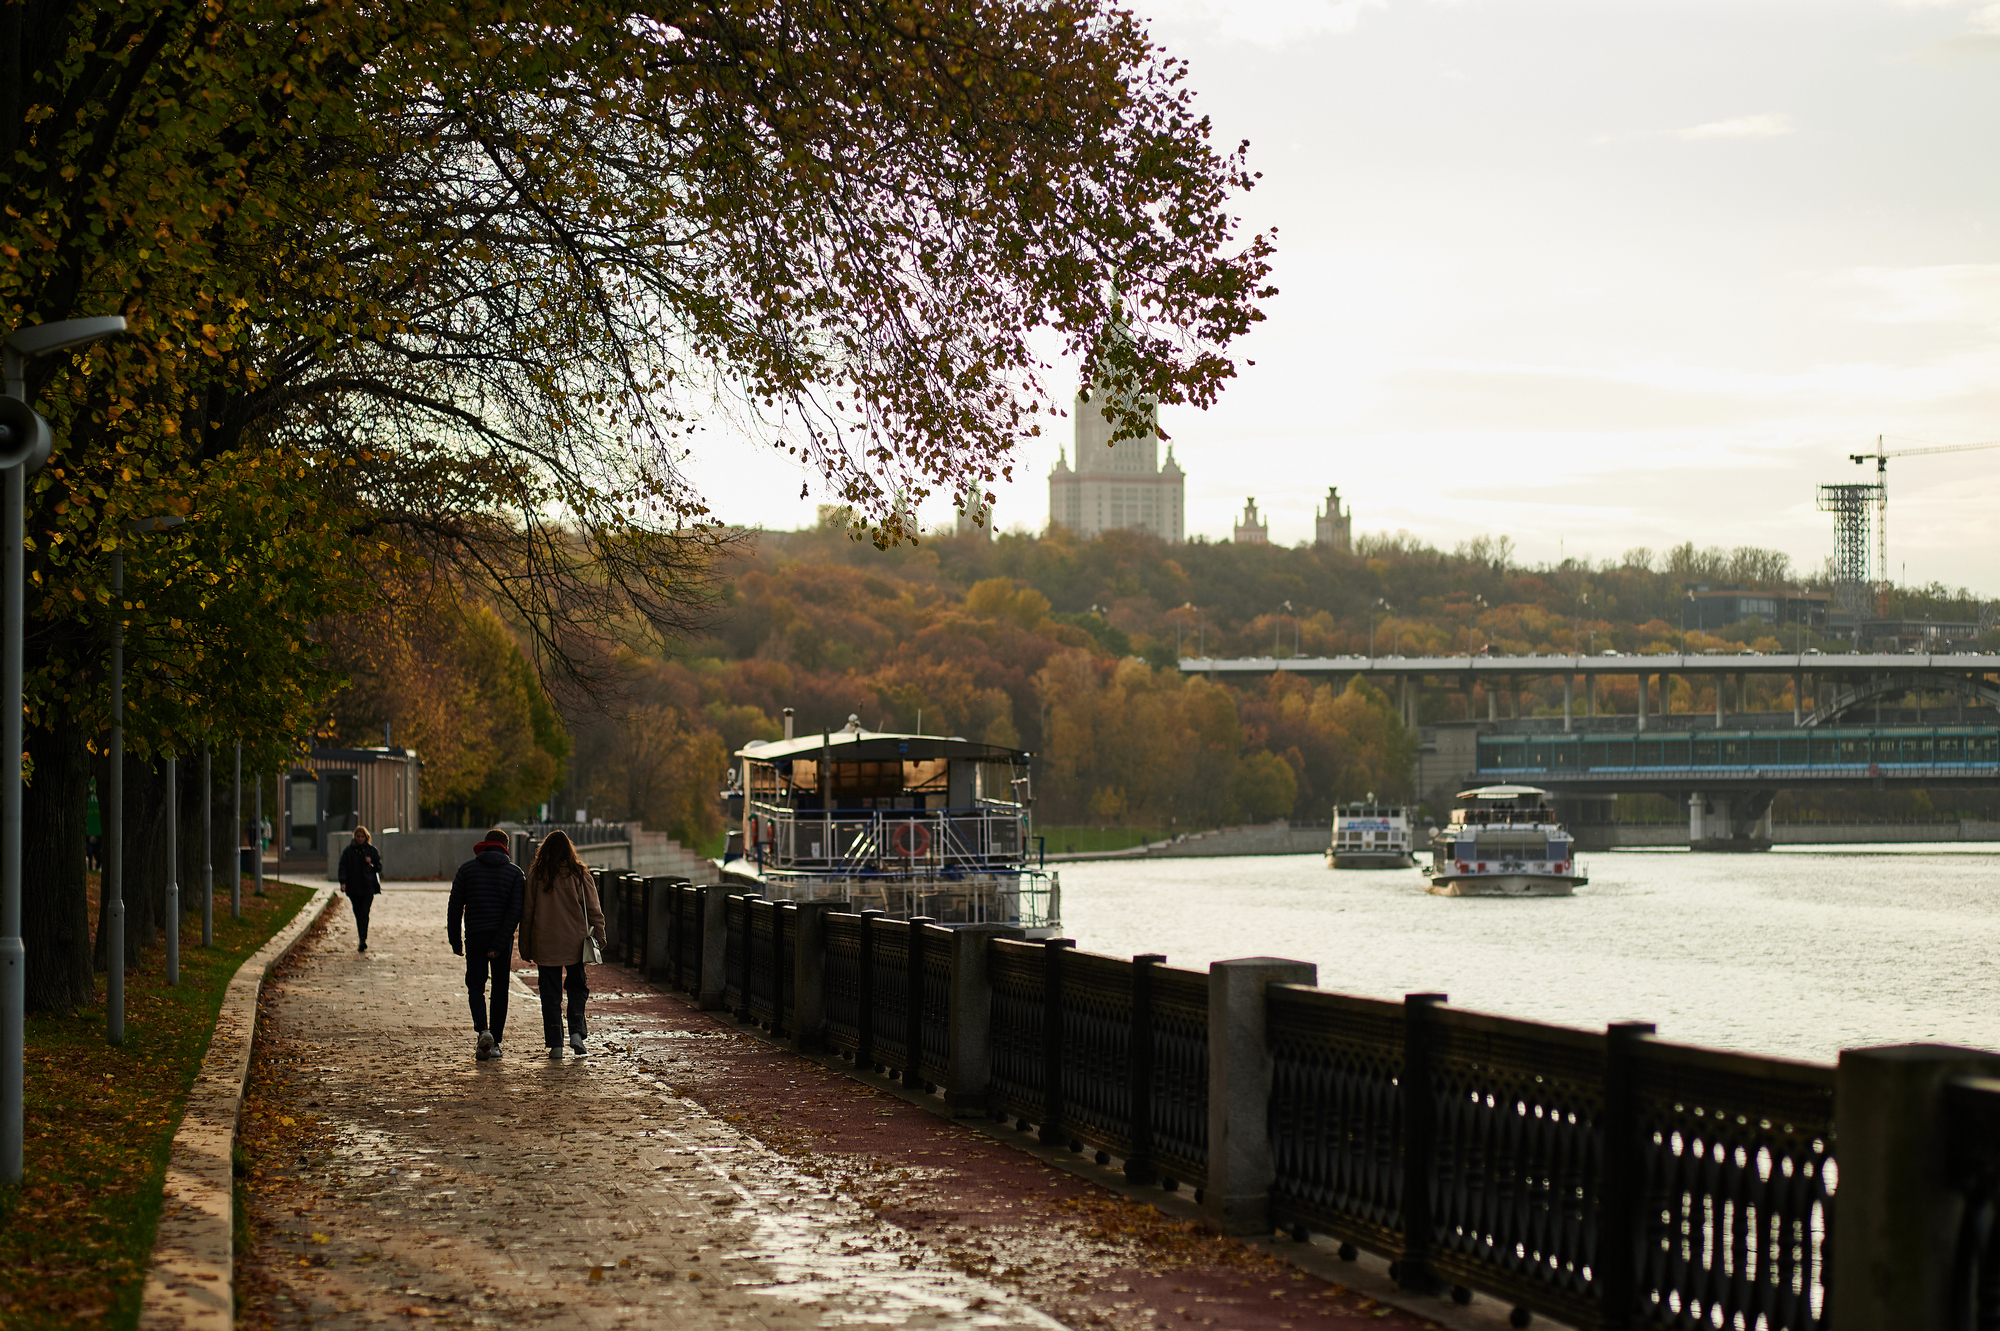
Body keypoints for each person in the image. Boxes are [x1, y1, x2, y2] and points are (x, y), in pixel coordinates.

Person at [519, 831, 605, 1059]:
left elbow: (527, 914)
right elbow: (594, 910)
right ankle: (577, 1033)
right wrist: (600, 937)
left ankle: (556, 1043)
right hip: (575, 944)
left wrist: (525, 946)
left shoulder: (536, 876)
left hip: (545, 943)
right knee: (577, 988)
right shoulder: (579, 874)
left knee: (550, 994)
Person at [447, 828, 525, 1061]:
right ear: (505, 848)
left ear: (485, 844)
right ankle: (496, 1042)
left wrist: (455, 940)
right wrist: (500, 942)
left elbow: (454, 907)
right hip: (501, 940)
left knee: (475, 986)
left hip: (476, 936)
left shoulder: (466, 870)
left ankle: (483, 1031)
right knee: (500, 989)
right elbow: (515, 912)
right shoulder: (515, 874)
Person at [337, 826, 384, 952]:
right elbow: (343, 867)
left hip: (368, 886)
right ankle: (361, 937)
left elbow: (378, 867)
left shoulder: (371, 851)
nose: (360, 839)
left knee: (364, 912)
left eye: (362, 837)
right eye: (358, 836)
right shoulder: (348, 851)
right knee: (358, 913)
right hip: (353, 887)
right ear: (355, 837)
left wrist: (371, 864)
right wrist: (343, 882)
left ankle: (363, 939)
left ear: (366, 837)